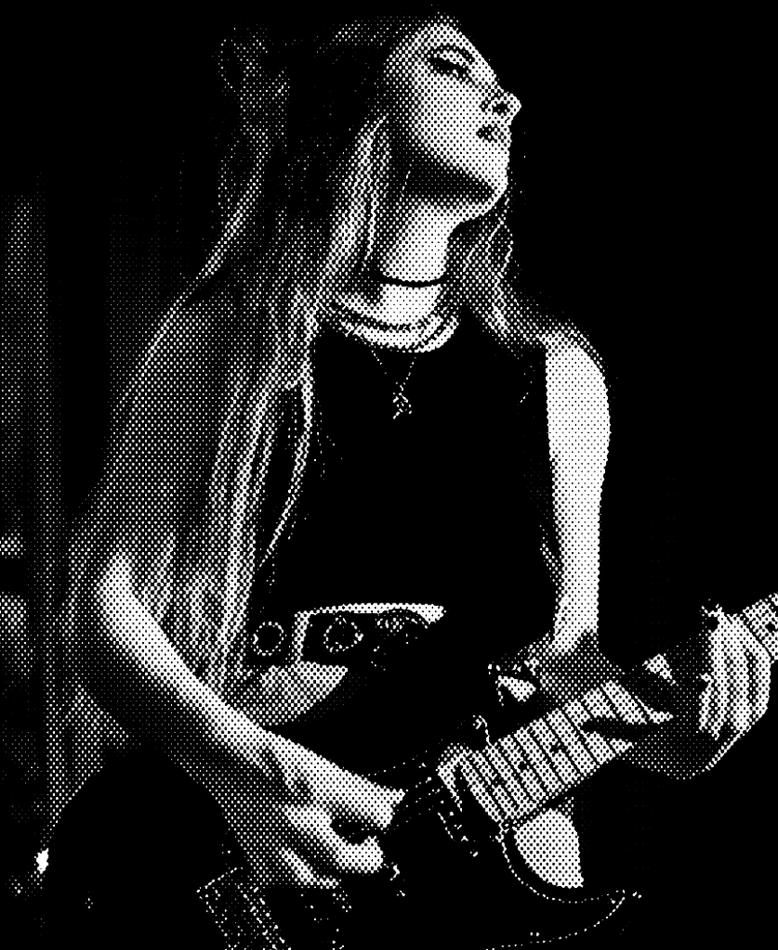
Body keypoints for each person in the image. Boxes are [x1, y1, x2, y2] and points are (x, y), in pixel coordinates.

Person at [44, 11, 773, 948]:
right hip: (254, 826)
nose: (507, 100)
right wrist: (247, 769)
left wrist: (671, 734)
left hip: (499, 841)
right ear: (357, 107)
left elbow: (566, 658)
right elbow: (102, 611)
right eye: (454, 65)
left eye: (501, 80)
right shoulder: (224, 336)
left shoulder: (559, 380)